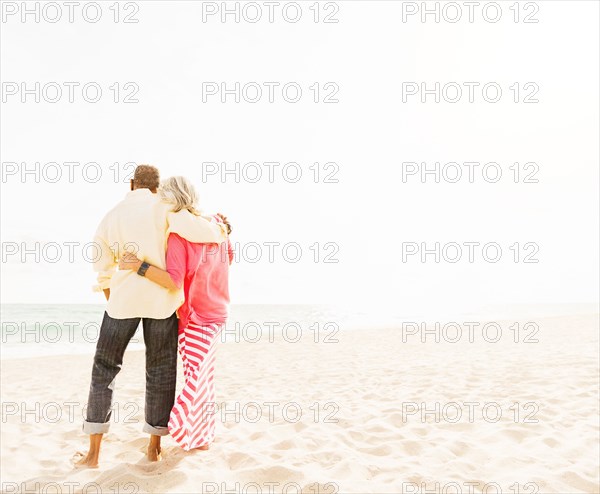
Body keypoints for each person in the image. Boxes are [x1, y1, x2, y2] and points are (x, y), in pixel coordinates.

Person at [76, 166, 227, 468]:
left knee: (103, 372)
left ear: (132, 184)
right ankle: (153, 448)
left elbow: (102, 267)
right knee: (159, 372)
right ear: (158, 188)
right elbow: (204, 231)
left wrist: (114, 298)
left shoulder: (111, 215)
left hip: (122, 302)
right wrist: (222, 227)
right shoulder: (166, 208)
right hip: (161, 303)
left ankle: (93, 455)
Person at [119, 176, 233, 451]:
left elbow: (173, 280)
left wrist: (138, 266)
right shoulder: (218, 225)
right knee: (204, 377)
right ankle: (203, 436)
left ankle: (185, 429)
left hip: (194, 318)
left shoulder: (178, 237)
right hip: (219, 312)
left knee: (196, 376)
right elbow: (229, 257)